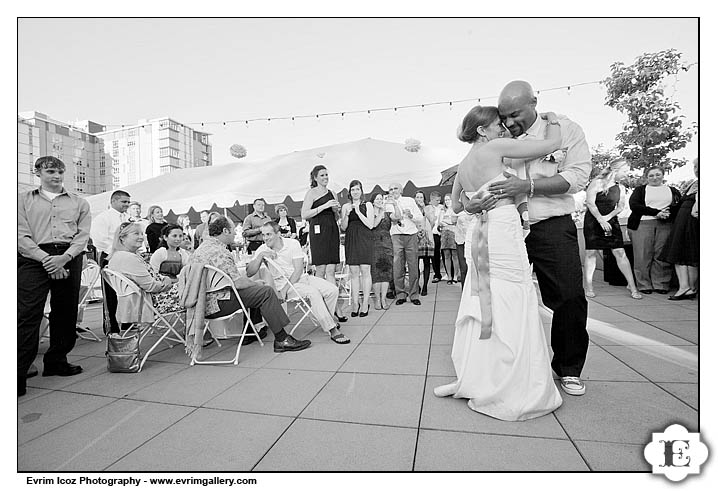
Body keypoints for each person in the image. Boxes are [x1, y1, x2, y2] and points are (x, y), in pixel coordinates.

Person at [433, 104, 564, 420]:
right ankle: (511, 384)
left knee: (484, 299)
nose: (503, 129)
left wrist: (474, 202)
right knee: (511, 298)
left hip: (481, 232)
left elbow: (457, 206)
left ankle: (477, 377)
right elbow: (550, 145)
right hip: (502, 229)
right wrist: (554, 119)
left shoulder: (463, 165)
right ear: (482, 130)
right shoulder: (495, 148)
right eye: (497, 125)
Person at [475, 80, 593, 397]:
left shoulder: (563, 129)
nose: (510, 123)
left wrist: (527, 187)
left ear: (534, 102)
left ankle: (567, 367)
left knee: (569, 296)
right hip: (506, 227)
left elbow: (578, 177)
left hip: (550, 224)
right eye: (504, 117)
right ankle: (502, 364)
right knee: (499, 297)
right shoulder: (497, 137)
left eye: (515, 115)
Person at [18, 156, 91, 396]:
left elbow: (82, 236)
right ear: (38, 172)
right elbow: (20, 235)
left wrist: (64, 258)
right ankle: (17, 373)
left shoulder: (79, 203)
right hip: (33, 258)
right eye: (50, 171)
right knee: (28, 314)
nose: (56, 176)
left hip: (68, 255)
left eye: (60, 171)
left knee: (66, 311)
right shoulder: (23, 200)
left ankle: (56, 361)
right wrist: (47, 260)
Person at [188, 216, 311, 352]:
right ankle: (282, 339)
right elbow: (239, 283)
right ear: (225, 231)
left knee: (255, 291)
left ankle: (253, 330)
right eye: (233, 230)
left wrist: (253, 284)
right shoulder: (220, 252)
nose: (236, 233)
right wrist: (256, 284)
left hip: (200, 303)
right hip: (217, 303)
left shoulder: (201, 249)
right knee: (266, 292)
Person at [249, 222, 351, 345]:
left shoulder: (292, 244)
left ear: (278, 234)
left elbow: (298, 271)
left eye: (269, 234)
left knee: (332, 290)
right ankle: (332, 329)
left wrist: (285, 290)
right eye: (263, 235)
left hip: (300, 278)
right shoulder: (263, 249)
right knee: (313, 293)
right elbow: (250, 272)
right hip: (282, 283)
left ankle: (320, 317)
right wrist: (260, 256)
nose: (265, 238)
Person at [582, 159, 642, 299]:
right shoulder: (596, 183)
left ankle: (633, 287)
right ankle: (589, 286)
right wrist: (600, 219)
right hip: (593, 221)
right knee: (591, 252)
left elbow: (620, 207)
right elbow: (590, 203)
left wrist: (608, 217)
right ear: (616, 170)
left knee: (620, 252)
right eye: (625, 171)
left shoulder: (620, 188)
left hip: (611, 221)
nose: (626, 174)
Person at [107, 222, 184, 319]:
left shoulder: (120, 255)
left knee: (194, 289)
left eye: (141, 233)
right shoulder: (128, 258)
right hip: (150, 303)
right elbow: (150, 286)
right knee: (196, 290)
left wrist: (164, 278)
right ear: (122, 238)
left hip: (144, 300)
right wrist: (167, 283)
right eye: (136, 234)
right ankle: (196, 330)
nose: (141, 237)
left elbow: (151, 276)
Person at [301, 165, 346, 322]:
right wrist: (324, 206)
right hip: (318, 232)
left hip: (332, 230)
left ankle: (336, 308)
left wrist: (336, 210)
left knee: (331, 270)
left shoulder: (332, 193)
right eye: (322, 175)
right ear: (315, 178)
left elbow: (337, 216)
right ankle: (322, 310)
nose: (325, 177)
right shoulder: (311, 193)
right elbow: (305, 214)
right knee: (320, 270)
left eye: (327, 174)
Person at [627, 166, 682, 294]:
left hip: (666, 224)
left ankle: (661, 284)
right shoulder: (640, 190)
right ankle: (643, 284)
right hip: (642, 224)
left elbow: (678, 205)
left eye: (657, 174)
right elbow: (634, 205)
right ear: (646, 177)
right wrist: (656, 212)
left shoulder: (672, 190)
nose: (654, 178)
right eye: (651, 175)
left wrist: (666, 213)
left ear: (663, 175)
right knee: (642, 255)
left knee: (661, 254)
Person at [91, 189, 131, 334]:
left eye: (128, 202)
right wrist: (116, 251)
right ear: (113, 201)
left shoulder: (127, 217)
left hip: (127, 257)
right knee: (110, 294)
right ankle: (111, 326)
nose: (126, 205)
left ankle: (127, 322)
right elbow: (98, 239)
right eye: (123, 201)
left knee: (127, 290)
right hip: (110, 257)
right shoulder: (103, 217)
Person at [660, 157, 699, 300]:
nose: (695, 169)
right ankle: (688, 288)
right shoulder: (694, 183)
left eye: (697, 166)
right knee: (686, 256)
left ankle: (686, 287)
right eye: (694, 166)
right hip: (684, 221)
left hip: (689, 221)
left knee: (684, 254)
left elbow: (696, 208)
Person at [386, 182, 423, 306]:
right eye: (390, 189)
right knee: (397, 267)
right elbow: (394, 218)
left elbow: (420, 218)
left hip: (411, 235)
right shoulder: (388, 204)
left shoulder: (410, 200)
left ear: (401, 190)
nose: (393, 191)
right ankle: (400, 294)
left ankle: (414, 295)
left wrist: (411, 215)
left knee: (413, 266)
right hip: (396, 235)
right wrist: (395, 205)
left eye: (395, 188)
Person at [340, 180, 374, 315]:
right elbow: (343, 227)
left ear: (361, 191)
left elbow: (370, 225)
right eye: (353, 189)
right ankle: (355, 303)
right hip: (351, 238)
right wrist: (347, 214)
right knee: (353, 272)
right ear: (350, 192)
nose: (355, 192)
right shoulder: (345, 206)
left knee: (365, 270)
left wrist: (358, 211)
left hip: (365, 238)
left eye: (357, 189)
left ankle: (365, 303)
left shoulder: (368, 205)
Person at [370, 193, 393, 310]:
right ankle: (377, 299)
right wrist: (380, 212)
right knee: (376, 273)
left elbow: (397, 218)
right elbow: (373, 225)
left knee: (386, 272)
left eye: (381, 199)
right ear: (373, 201)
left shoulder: (388, 213)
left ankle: (383, 298)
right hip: (374, 244)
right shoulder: (370, 213)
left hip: (387, 244)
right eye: (377, 199)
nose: (379, 201)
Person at [414, 190, 435, 296]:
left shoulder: (429, 208)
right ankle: (417, 285)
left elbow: (432, 221)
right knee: (415, 264)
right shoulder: (412, 209)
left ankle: (425, 286)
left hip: (427, 238)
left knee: (427, 262)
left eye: (421, 197)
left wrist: (424, 210)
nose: (419, 199)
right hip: (416, 238)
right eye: (417, 197)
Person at [438, 194, 461, 284]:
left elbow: (454, 221)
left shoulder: (455, 210)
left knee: (455, 255)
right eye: (446, 200)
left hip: (453, 233)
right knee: (446, 255)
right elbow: (439, 222)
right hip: (444, 234)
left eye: (449, 199)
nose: (447, 201)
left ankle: (456, 275)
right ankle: (449, 276)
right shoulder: (442, 211)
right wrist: (444, 223)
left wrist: (447, 221)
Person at [426, 191, 444, 283]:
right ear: (432, 199)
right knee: (435, 255)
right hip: (433, 234)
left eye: (440, 200)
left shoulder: (442, 207)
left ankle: (450, 274)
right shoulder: (427, 209)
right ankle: (437, 274)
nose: (438, 202)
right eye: (437, 200)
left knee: (445, 254)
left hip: (443, 233)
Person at [454, 210, 471, 288]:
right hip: (461, 240)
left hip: (473, 240)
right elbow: (452, 220)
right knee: (463, 267)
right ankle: (464, 290)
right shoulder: (458, 209)